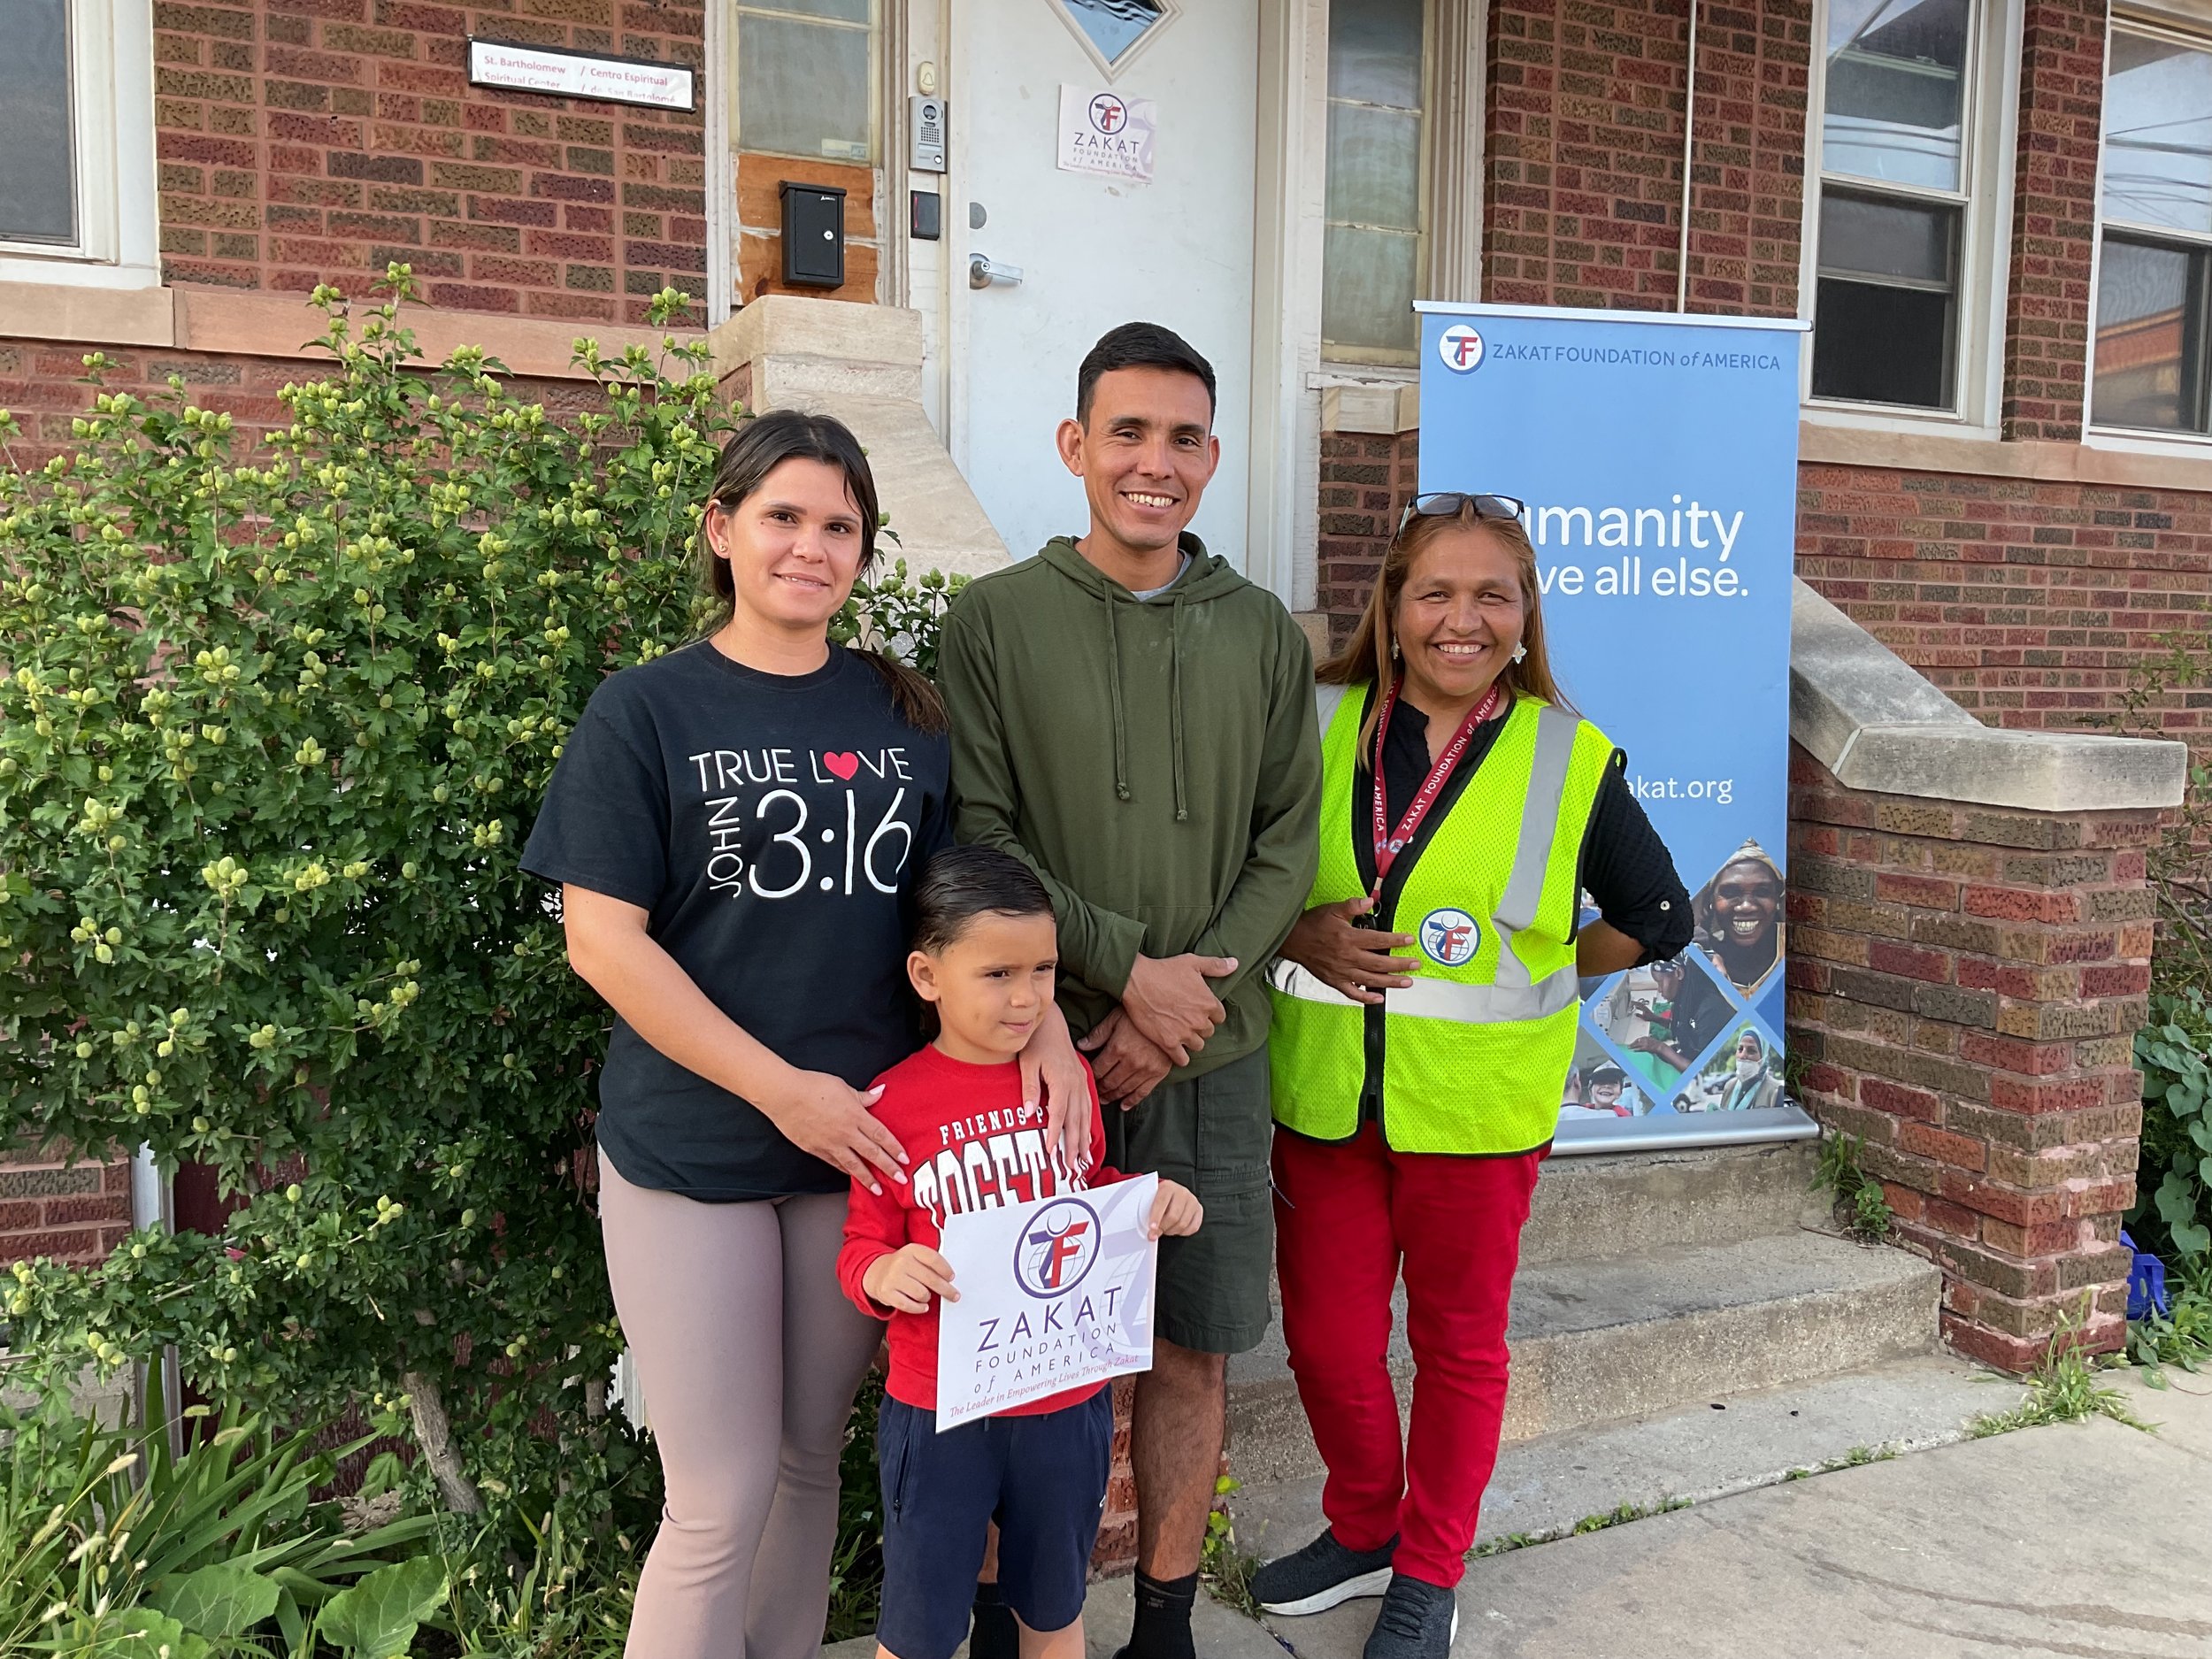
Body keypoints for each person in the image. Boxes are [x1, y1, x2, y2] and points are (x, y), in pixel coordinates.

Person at [523, 411, 1087, 1659]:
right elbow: (604, 944)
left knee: (804, 1464)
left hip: (865, 1149)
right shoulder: (644, 711)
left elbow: (969, 921)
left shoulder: (906, 714)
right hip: (693, 1147)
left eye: (840, 525)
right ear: (723, 529)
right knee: (714, 1492)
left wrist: (1043, 1030)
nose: (811, 545)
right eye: (783, 515)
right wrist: (786, 1091)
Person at [936, 322, 1322, 1659]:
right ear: (1074, 445)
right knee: (1009, 1347)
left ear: (1212, 457)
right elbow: (981, 826)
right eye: (1128, 433)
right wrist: (1121, 977)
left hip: (1210, 1060)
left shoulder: (1263, 633)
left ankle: (1162, 1617)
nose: (1154, 464)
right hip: (1034, 1053)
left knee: (1194, 1346)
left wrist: (1183, 1007)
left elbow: (1289, 843)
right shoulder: (993, 620)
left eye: (1183, 438)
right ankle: (1008, 1610)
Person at [1255, 493, 1691, 1657]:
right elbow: (1246, 883)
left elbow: (1659, 917)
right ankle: (1361, 1522)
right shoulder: (1310, 718)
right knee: (1331, 1343)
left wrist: (1546, 969)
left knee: (1457, 1347)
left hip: (1477, 1115)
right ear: (1391, 610)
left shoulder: (1567, 753)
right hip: (1325, 1102)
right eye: (1436, 591)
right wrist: (1298, 937)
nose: (1464, 618)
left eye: (1493, 593)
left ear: (1526, 612)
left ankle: (1429, 1566)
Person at [838, 846, 1204, 1659]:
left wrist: (1143, 1200)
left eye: (1042, 970)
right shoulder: (891, 1103)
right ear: (927, 976)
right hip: (940, 1409)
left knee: (1053, 1608)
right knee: (920, 1627)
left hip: (1064, 1403)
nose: (1028, 996)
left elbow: (1089, 1184)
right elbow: (861, 1243)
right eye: (997, 973)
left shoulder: (1063, 1079)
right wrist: (885, 1274)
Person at [1696, 841, 1783, 991]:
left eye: (1762, 892)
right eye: (1730, 893)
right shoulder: (1698, 954)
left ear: (1777, 898)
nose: (1746, 906)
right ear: (1710, 900)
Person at [1712, 1029, 1784, 1111]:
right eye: (1740, 1049)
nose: (1743, 1055)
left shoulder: (1775, 1091)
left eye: (1751, 1051)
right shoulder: (1729, 1086)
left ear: (1763, 1058)